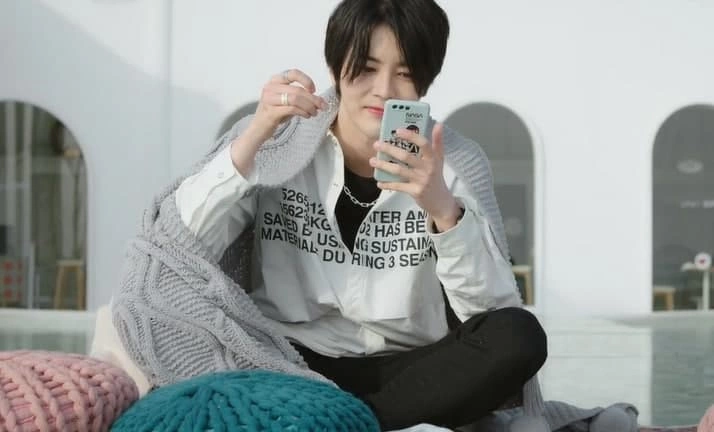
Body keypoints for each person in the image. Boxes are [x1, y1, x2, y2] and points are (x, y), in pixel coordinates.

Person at [114, 0, 548, 429]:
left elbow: (489, 312)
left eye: (404, 73)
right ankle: (351, 419)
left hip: (412, 370)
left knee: (520, 335)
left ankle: (339, 421)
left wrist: (444, 212)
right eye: (367, 68)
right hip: (286, 360)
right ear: (337, 67)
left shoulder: (452, 164)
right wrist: (254, 135)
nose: (383, 89)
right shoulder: (279, 143)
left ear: (426, 80)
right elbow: (179, 244)